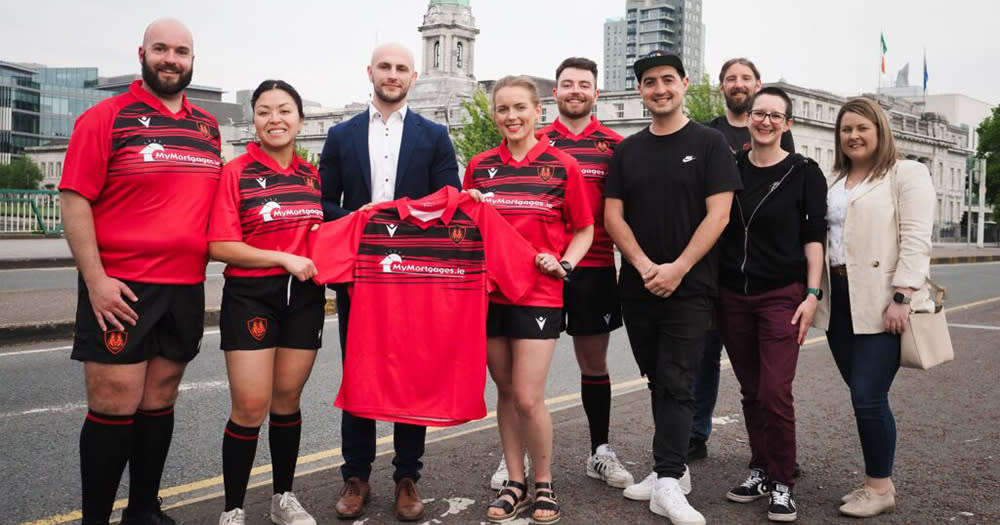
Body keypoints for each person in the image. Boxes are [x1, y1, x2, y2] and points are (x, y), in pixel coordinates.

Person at [59, 18, 222, 525]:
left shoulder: (207, 126)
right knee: (114, 403)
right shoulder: (106, 117)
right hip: (122, 286)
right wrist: (96, 280)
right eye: (161, 49)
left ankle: (144, 509)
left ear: (192, 60)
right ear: (142, 54)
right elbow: (74, 198)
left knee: (160, 397)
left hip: (185, 288)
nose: (171, 59)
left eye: (181, 51)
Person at [318, 42, 460, 522]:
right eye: (385, 67)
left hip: (413, 276)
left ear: (413, 76)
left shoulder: (435, 135)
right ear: (370, 72)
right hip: (359, 276)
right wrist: (356, 219)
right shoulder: (340, 135)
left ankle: (407, 476)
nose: (393, 74)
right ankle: (355, 476)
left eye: (401, 68)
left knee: (411, 374)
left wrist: (409, 220)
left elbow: (449, 199)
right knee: (360, 372)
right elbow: (322, 203)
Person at [482, 57, 633, 492]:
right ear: (554, 95)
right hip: (528, 277)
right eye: (567, 84)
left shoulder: (613, 145)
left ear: (595, 92)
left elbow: (619, 211)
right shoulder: (536, 140)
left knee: (593, 363)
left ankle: (600, 451)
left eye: (583, 84)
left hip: (593, 267)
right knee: (517, 386)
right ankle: (517, 459)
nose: (575, 91)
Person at [605, 51, 740, 525]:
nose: (659, 89)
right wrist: (644, 266)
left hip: (691, 285)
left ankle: (666, 480)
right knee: (657, 379)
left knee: (680, 380)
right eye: (648, 82)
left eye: (667, 80)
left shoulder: (709, 144)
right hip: (639, 285)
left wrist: (678, 267)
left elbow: (719, 214)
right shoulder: (627, 149)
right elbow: (613, 216)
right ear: (640, 91)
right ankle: (674, 470)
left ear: (683, 83)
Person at [464, 75, 594, 524]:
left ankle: (544, 483)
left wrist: (566, 264)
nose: (511, 117)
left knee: (527, 395)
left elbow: (584, 228)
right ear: (495, 114)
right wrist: (469, 204)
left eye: (519, 108)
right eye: (502, 109)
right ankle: (515, 482)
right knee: (503, 390)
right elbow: (465, 229)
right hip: (490, 294)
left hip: (540, 293)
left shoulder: (561, 166)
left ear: (538, 111)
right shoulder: (480, 166)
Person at [813, 97, 935, 518]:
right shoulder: (832, 179)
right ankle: (874, 480)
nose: (853, 136)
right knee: (862, 394)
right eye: (846, 129)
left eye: (862, 128)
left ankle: (880, 487)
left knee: (868, 396)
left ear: (880, 131)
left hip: (884, 300)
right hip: (840, 299)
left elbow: (917, 238)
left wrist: (902, 295)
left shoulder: (906, 173)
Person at [208, 80, 323, 525]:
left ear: (300, 118)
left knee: (287, 400)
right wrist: (282, 257)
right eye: (264, 111)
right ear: (254, 119)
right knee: (250, 405)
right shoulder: (235, 172)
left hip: (305, 298)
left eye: (285, 110)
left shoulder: (310, 176)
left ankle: (283, 500)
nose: (275, 119)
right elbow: (218, 245)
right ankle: (233, 509)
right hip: (252, 295)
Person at [716, 87, 826, 523]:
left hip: (782, 293)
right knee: (749, 390)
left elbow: (814, 236)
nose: (764, 121)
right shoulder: (730, 167)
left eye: (774, 116)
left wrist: (812, 294)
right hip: (732, 295)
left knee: (775, 391)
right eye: (759, 113)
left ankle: (782, 482)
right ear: (749, 119)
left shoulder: (804, 171)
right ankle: (760, 468)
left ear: (788, 124)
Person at [691, 57, 797, 463]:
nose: (738, 84)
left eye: (746, 78)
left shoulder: (779, 136)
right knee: (705, 355)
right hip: (715, 266)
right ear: (721, 87)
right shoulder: (709, 135)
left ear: (758, 84)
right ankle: (696, 433)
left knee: (768, 373)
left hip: (763, 273)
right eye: (731, 78)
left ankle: (775, 448)